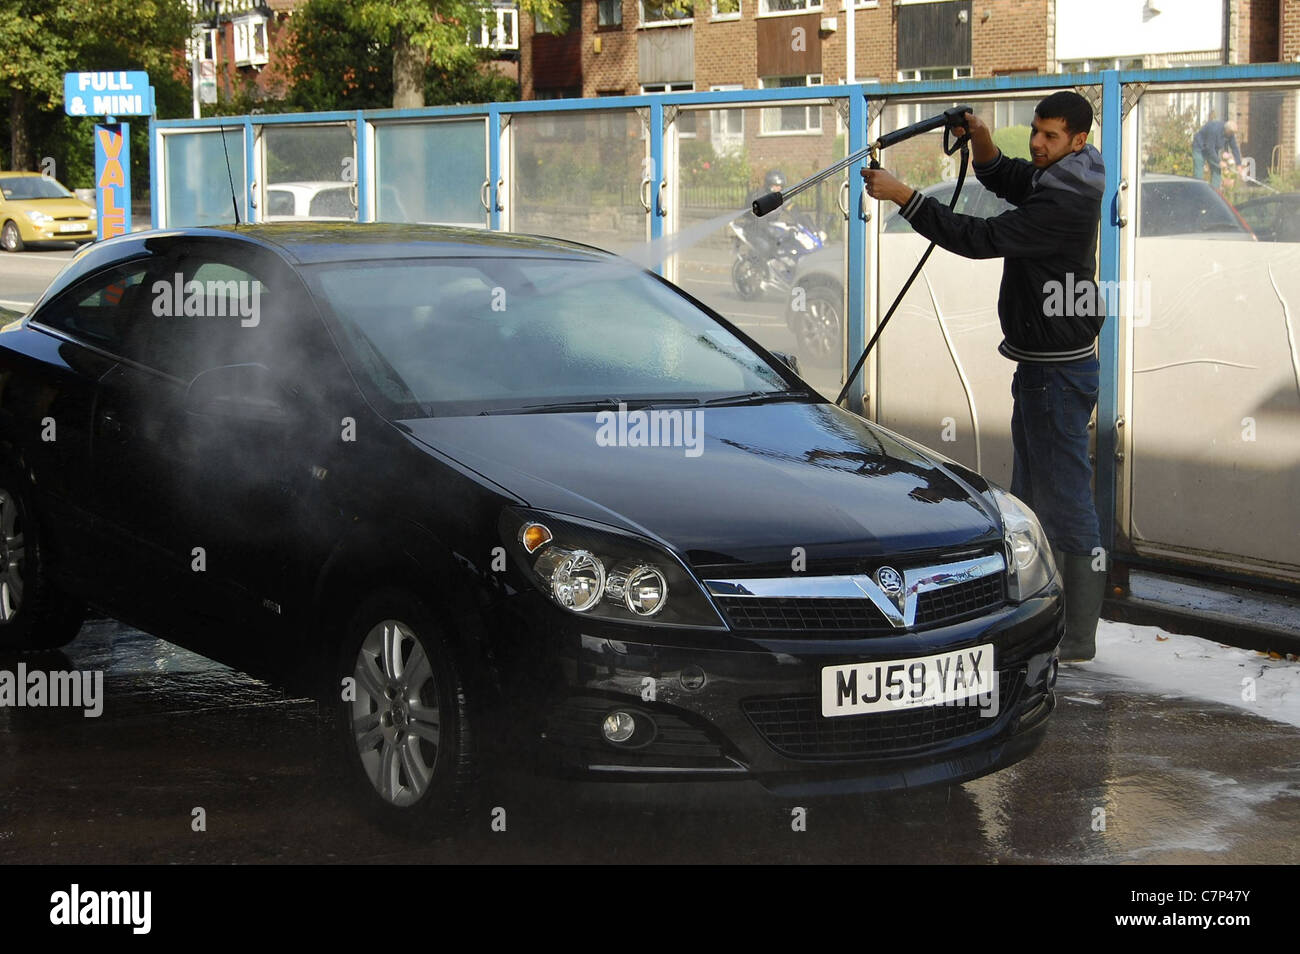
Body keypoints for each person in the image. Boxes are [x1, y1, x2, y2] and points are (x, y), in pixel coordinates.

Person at [861, 91, 1108, 661]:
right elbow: (1015, 178)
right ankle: (1041, 613)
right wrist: (984, 145)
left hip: (1057, 376)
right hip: (1049, 368)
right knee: (1034, 495)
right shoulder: (1068, 176)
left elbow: (981, 240)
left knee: (1064, 498)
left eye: (1050, 137)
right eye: (1035, 133)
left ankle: (1076, 637)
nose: (1038, 145)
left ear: (1078, 140)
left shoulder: (1062, 203)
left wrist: (904, 197)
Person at [1192, 118, 1242, 191]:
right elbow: (1209, 148)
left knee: (1217, 171)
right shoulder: (1214, 130)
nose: (1232, 135)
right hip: (1200, 148)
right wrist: (1219, 161)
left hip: (1212, 149)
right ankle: (1197, 192)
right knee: (1198, 173)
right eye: (1231, 133)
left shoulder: (1230, 134)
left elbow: (1234, 148)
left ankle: (1215, 193)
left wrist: (1239, 164)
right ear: (1227, 130)